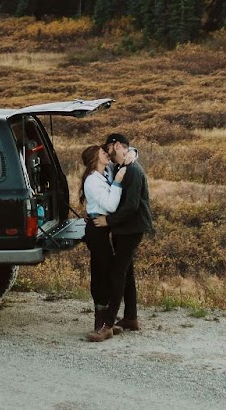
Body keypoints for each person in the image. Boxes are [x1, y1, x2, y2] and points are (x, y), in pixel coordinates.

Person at [87, 130, 152, 341]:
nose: (109, 156)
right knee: (127, 271)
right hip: (125, 228)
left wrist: (109, 221)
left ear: (116, 146)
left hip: (130, 228)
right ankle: (131, 318)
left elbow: (132, 206)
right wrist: (132, 152)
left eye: (108, 151)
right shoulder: (123, 166)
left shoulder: (132, 171)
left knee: (117, 273)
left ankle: (107, 325)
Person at [77, 144, 121, 340]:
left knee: (109, 271)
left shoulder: (105, 172)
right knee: (101, 272)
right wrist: (118, 183)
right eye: (103, 152)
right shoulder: (93, 181)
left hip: (104, 227)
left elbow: (133, 153)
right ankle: (99, 322)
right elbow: (110, 205)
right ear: (95, 158)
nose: (107, 154)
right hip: (97, 228)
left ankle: (107, 320)